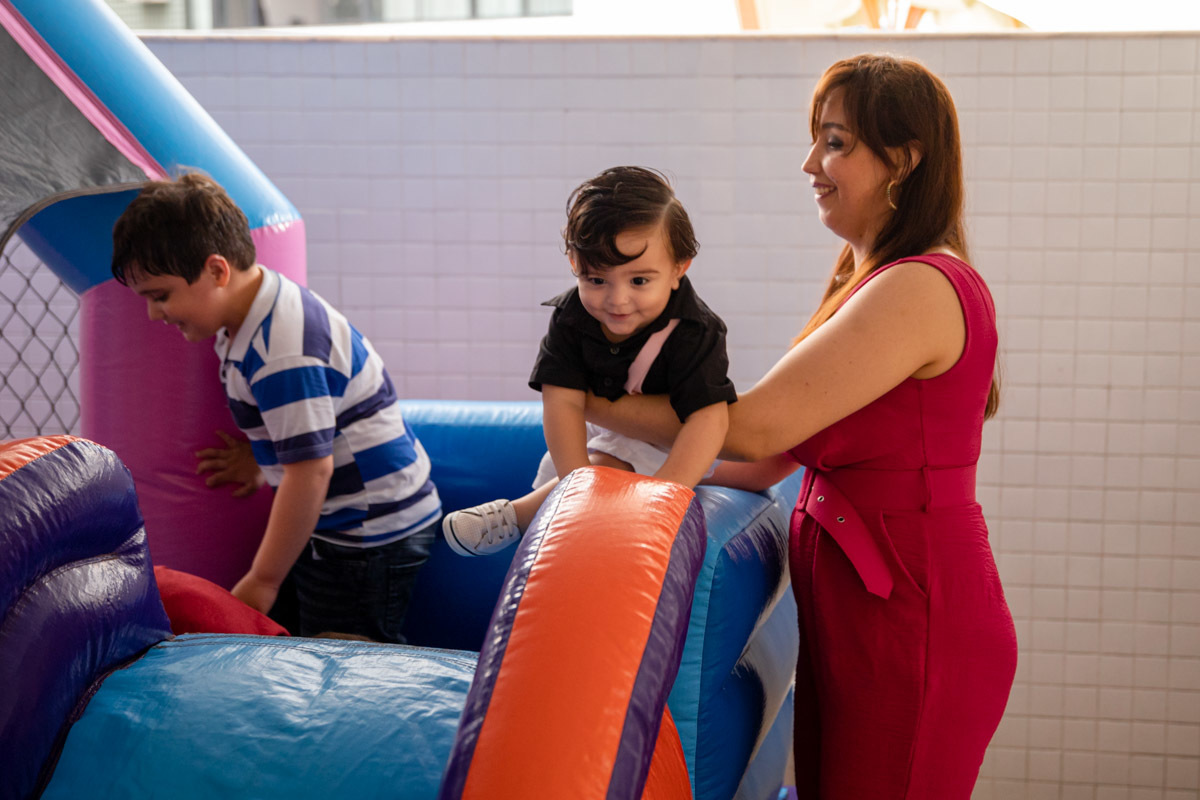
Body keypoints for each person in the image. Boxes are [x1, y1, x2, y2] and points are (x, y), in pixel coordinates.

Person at [584, 56, 1017, 798]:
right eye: (817, 139)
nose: (811, 162)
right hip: (866, 625)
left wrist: (582, 397)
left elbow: (748, 429)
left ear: (903, 161)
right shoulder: (870, 279)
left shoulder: (918, 285)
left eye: (837, 142)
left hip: (913, 627)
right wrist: (633, 473)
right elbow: (762, 461)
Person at [111, 173, 441, 644]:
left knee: (343, 653)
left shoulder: (282, 349)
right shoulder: (251, 314)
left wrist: (263, 580)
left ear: (217, 271)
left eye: (161, 295)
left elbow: (311, 473)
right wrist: (264, 458)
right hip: (343, 521)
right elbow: (303, 427)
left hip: (366, 535)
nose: (153, 314)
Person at [441, 166, 736, 556]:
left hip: (672, 445)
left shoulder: (694, 329)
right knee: (566, 475)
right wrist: (575, 479)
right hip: (603, 434)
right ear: (572, 264)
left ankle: (515, 515)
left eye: (639, 281)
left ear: (678, 269)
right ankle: (547, 533)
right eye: (596, 280)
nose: (616, 300)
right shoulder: (571, 316)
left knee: (610, 464)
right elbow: (561, 400)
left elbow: (708, 419)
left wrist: (667, 493)